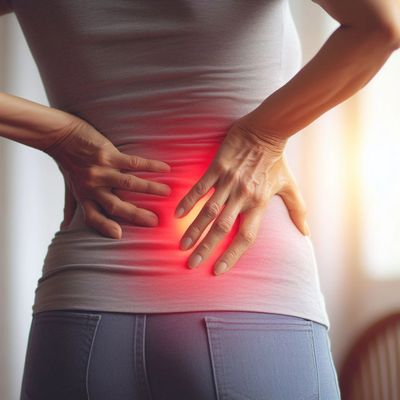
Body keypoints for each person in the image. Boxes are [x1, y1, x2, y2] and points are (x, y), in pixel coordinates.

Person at [1, 0, 399, 399]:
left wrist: (57, 134)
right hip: (249, 294)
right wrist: (263, 135)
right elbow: (382, 25)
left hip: (81, 307)